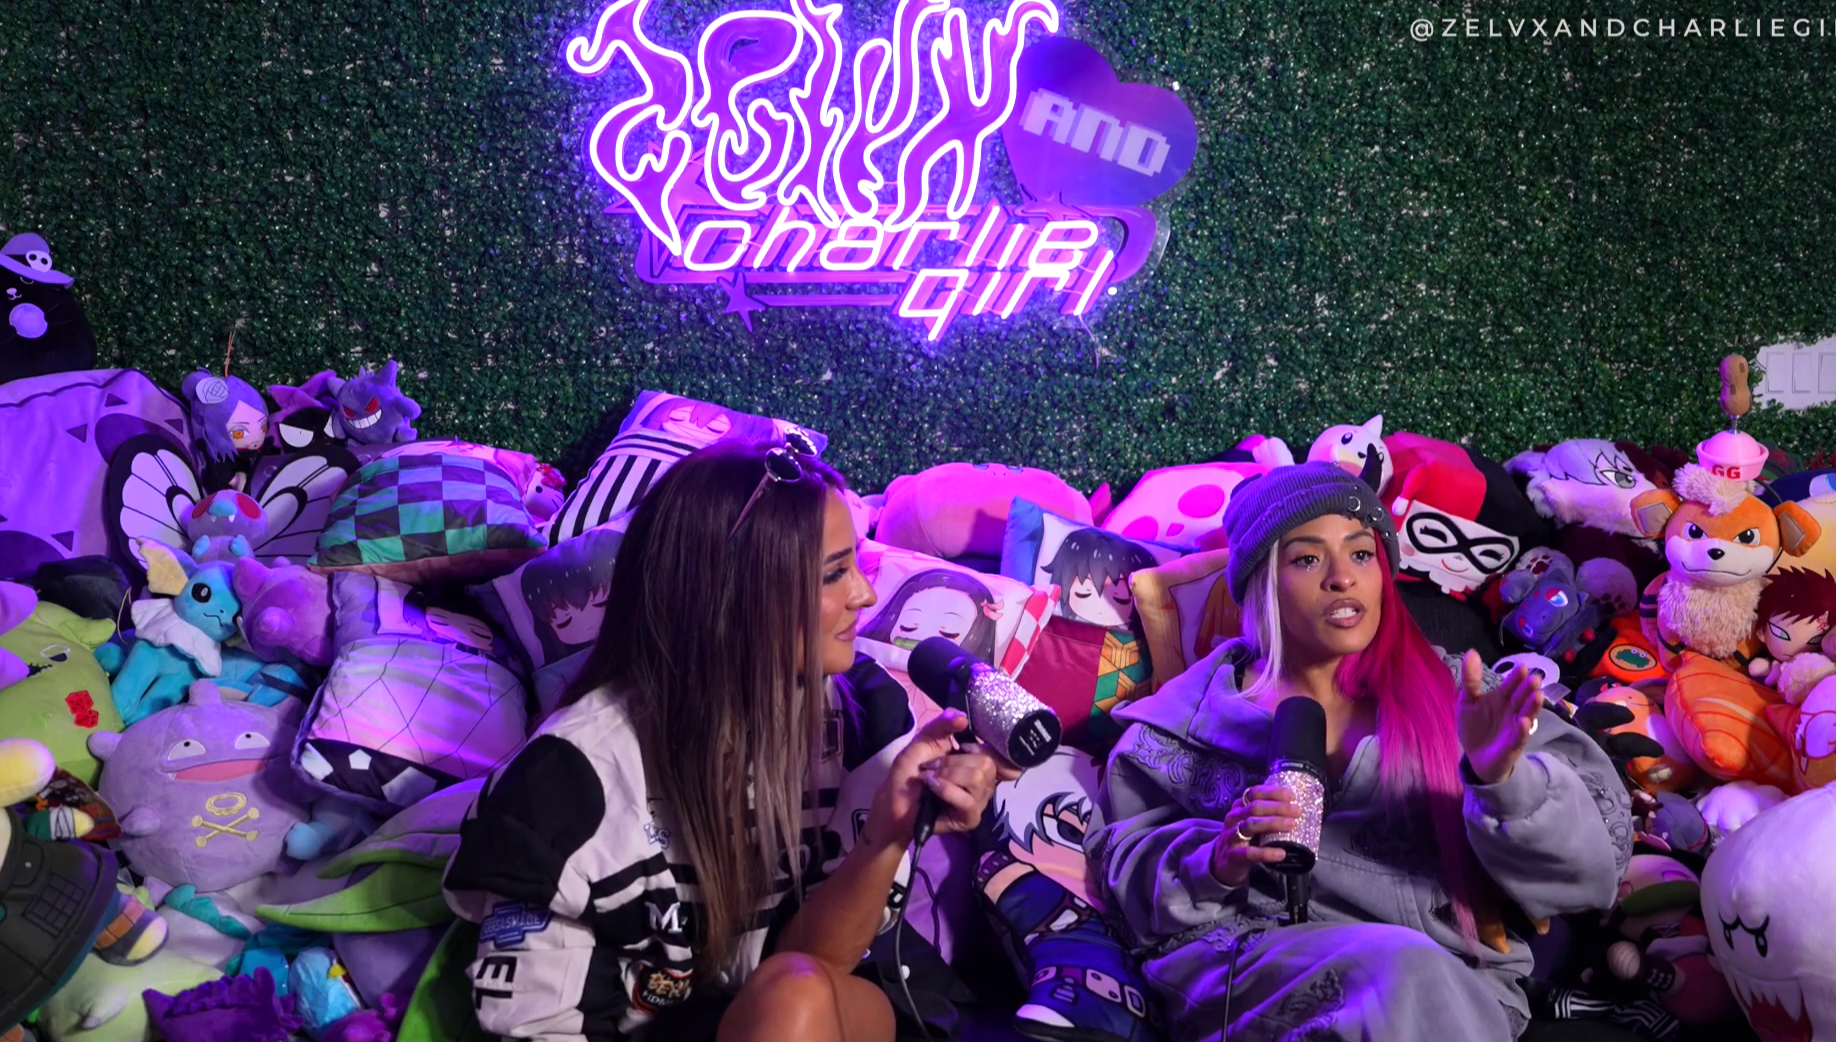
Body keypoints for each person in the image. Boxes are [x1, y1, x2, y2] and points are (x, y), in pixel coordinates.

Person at [444, 440, 1015, 1042]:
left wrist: (887, 834)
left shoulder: (866, 713)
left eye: (856, 566)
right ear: (731, 594)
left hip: (808, 1005)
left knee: (793, 997)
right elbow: (538, 1027)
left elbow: (810, 972)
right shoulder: (566, 783)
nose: (865, 596)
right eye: (833, 574)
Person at [1089, 463, 1631, 1041]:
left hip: (1448, 986)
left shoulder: (1462, 695)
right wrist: (1216, 861)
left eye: (1362, 554)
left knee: (1418, 978)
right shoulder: (1181, 725)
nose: (1343, 578)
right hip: (1251, 967)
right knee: (1406, 973)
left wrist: (1502, 780)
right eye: (1307, 559)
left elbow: (1598, 870)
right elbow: (1123, 879)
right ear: (1261, 582)